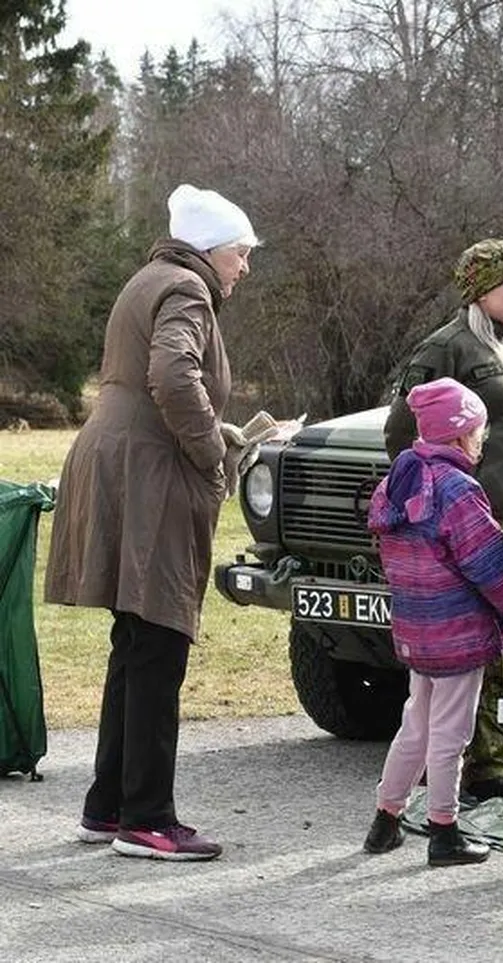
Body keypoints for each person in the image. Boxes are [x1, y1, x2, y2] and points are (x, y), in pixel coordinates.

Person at [46, 184, 257, 861]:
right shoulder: (189, 289)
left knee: (134, 641)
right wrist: (208, 452)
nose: (244, 267)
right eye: (241, 253)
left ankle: (107, 806)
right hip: (150, 475)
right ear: (211, 249)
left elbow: (151, 379)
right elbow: (170, 375)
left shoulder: (150, 277)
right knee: (159, 637)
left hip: (116, 459)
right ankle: (148, 818)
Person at [384, 239, 503, 804]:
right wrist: (438, 508)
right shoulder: (445, 350)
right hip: (473, 522)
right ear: (480, 290)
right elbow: (402, 437)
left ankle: (492, 760)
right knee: (465, 648)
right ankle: (456, 764)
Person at [362, 379, 503, 867]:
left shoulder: (397, 481)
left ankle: (385, 819)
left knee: (415, 724)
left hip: (416, 627)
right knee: (451, 735)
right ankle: (443, 829)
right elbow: (489, 564)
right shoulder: (459, 490)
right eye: (478, 432)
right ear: (459, 437)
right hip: (458, 632)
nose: (482, 442)